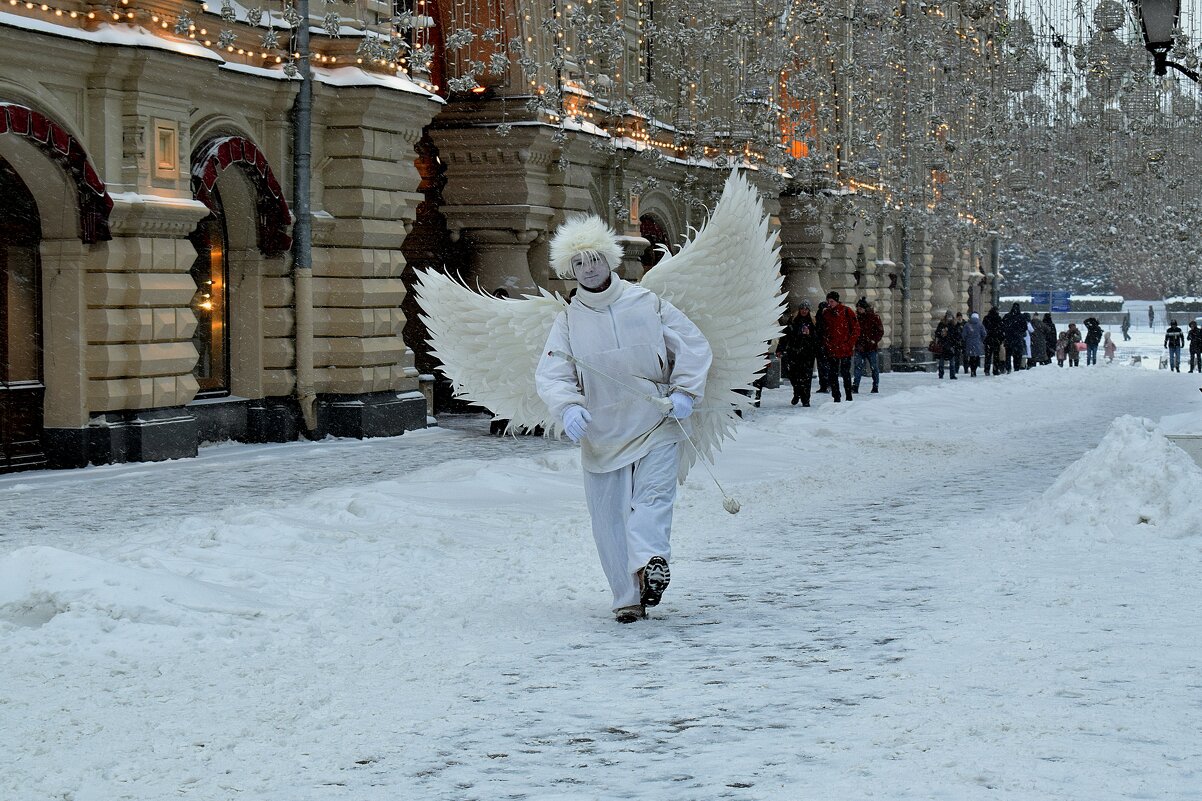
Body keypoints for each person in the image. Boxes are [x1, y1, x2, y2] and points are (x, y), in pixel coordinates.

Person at [535, 216, 712, 624]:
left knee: (654, 498)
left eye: (595, 258)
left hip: (656, 420)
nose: (589, 268)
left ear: (610, 259)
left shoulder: (645, 302)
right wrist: (569, 407)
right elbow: (552, 372)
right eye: (579, 264)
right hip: (602, 432)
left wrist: (685, 391)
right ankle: (626, 597)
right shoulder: (566, 321)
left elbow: (692, 344)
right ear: (570, 271)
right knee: (609, 515)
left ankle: (651, 563)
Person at [818, 291, 859, 401]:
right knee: (833, 374)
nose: (830, 303)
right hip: (832, 349)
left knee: (846, 374)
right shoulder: (826, 314)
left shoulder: (846, 311)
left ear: (837, 301)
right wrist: (827, 344)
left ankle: (848, 395)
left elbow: (855, 329)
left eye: (831, 301)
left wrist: (849, 344)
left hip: (844, 349)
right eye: (828, 301)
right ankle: (836, 396)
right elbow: (823, 330)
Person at [779, 301, 819, 406]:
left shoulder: (813, 322)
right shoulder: (793, 321)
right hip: (794, 353)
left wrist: (809, 335)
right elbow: (785, 336)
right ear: (799, 310)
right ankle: (797, 393)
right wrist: (780, 349)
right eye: (802, 309)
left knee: (806, 378)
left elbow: (817, 339)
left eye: (806, 309)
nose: (804, 311)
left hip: (807, 354)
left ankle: (806, 399)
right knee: (793, 376)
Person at [853, 297, 884, 394]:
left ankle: (875, 386)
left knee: (874, 367)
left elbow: (880, 331)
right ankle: (855, 386)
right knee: (858, 367)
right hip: (860, 347)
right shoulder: (856, 318)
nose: (859, 310)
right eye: (858, 308)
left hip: (870, 347)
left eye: (860, 308)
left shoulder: (873, 317)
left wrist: (874, 340)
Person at [1002, 303, 1027, 372]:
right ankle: (1016, 368)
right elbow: (1025, 328)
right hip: (1018, 339)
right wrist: (1019, 332)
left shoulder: (1007, 316)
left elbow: (1002, 326)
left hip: (1008, 338)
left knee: (1008, 355)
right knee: (1017, 355)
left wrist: (1007, 332)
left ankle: (1008, 368)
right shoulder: (1021, 317)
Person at [933, 311, 958, 379]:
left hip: (950, 345)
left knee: (951, 362)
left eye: (950, 317)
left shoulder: (954, 325)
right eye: (948, 316)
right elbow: (937, 333)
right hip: (943, 345)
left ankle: (952, 375)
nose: (949, 318)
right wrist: (941, 333)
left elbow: (957, 335)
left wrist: (949, 334)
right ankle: (941, 374)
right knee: (942, 361)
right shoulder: (942, 324)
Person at [961, 311, 986, 377]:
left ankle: (972, 370)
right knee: (977, 357)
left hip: (969, 343)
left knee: (971, 357)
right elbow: (984, 334)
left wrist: (966, 340)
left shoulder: (967, 325)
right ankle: (974, 369)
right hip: (978, 343)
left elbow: (963, 335)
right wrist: (981, 340)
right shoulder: (980, 324)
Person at [814, 300, 831, 394]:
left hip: (824, 345)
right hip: (822, 345)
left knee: (825, 366)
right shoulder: (821, 317)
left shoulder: (825, 317)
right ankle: (824, 385)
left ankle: (826, 384)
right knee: (823, 367)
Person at [983, 306, 1004, 375]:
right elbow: (1001, 330)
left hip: (988, 339)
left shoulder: (986, 318)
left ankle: (986, 370)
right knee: (996, 356)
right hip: (996, 339)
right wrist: (1001, 339)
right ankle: (995, 370)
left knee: (988, 355)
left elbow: (984, 329)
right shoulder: (998, 319)